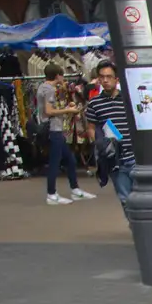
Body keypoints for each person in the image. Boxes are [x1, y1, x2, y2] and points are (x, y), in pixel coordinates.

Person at [37, 63, 95, 205]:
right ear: (58, 75)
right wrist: (68, 111)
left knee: (70, 160)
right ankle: (51, 194)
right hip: (53, 130)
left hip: (56, 130)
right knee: (55, 163)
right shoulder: (49, 90)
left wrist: (64, 108)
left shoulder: (42, 87)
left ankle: (75, 189)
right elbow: (49, 111)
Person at [83, 60, 133, 205]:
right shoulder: (94, 103)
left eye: (109, 76)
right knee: (125, 198)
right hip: (115, 158)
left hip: (135, 155)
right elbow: (91, 128)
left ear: (116, 79)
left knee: (143, 197)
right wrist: (100, 144)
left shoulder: (128, 99)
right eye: (102, 77)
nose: (105, 80)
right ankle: (135, 227)